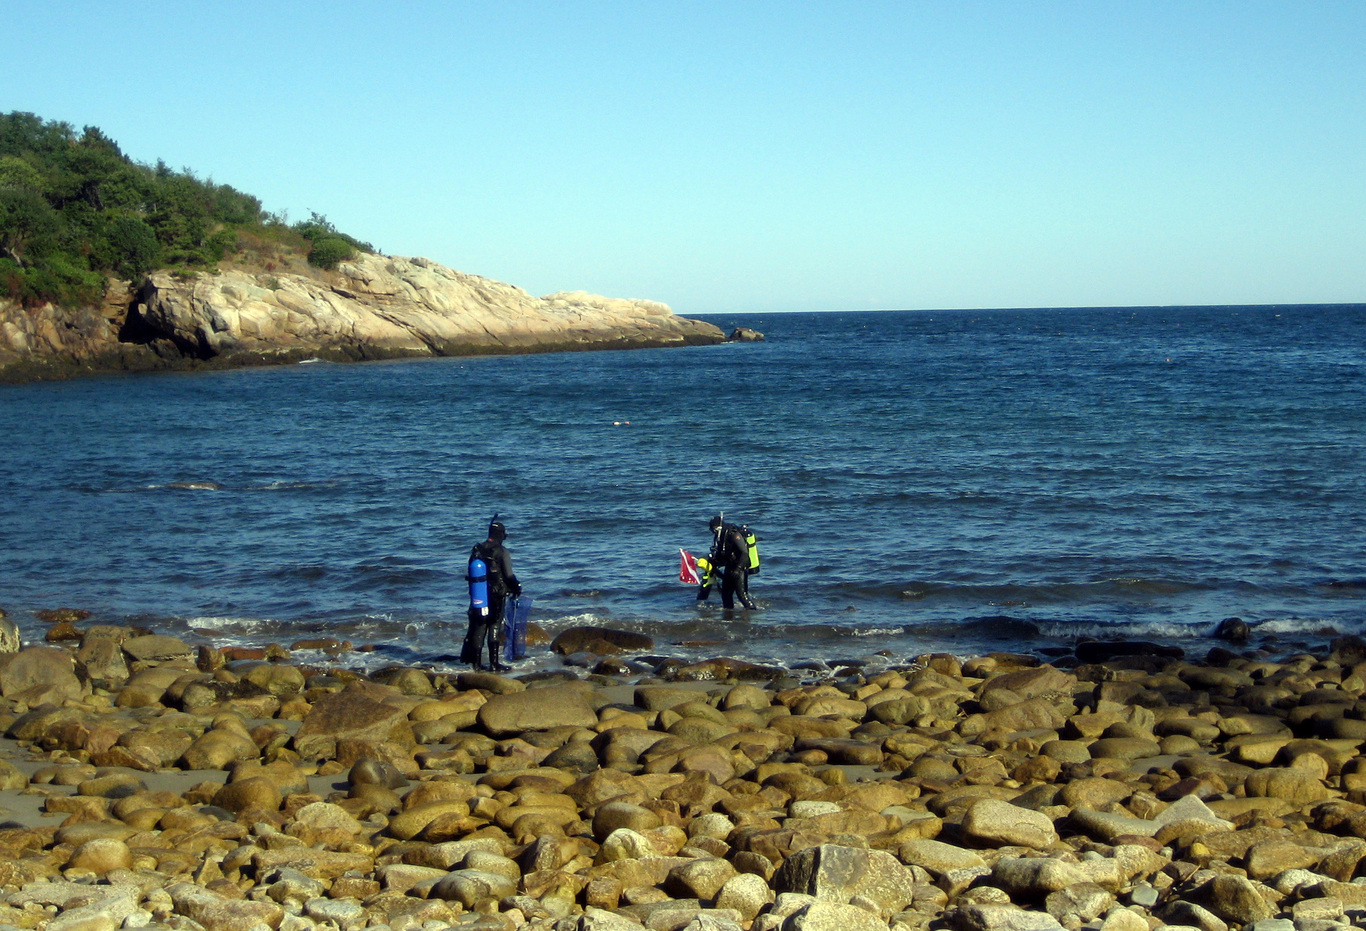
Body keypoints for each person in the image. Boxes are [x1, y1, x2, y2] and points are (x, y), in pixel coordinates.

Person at [462, 518, 521, 671]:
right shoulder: (502, 552)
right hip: (496, 595)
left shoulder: (477, 549)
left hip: (479, 594)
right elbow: (509, 575)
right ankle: (494, 664)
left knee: (479, 626)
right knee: (494, 625)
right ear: (501, 535)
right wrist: (517, 587)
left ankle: (476, 665)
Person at [696, 514, 757, 610]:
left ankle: (752, 613)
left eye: (714, 529)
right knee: (726, 594)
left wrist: (738, 568)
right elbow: (722, 555)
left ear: (718, 527)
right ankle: (728, 615)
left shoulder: (733, 534)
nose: (713, 532)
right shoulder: (720, 536)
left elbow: (744, 553)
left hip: (740, 568)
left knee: (742, 595)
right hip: (729, 566)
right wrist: (713, 562)